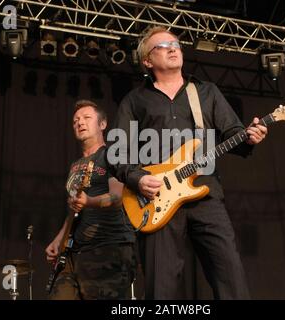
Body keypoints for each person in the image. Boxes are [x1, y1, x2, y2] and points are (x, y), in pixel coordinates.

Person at [108, 26, 268, 299]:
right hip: (155, 198)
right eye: (163, 45)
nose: (173, 48)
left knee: (231, 278)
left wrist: (250, 137)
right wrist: (137, 178)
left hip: (205, 192)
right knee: (161, 288)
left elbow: (232, 133)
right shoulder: (134, 100)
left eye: (176, 43)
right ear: (147, 60)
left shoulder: (206, 92)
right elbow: (117, 151)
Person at [45, 100, 136, 300]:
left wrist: (90, 201)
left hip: (108, 248)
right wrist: (59, 238)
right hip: (74, 251)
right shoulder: (75, 165)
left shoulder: (112, 155)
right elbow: (74, 209)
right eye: (75, 120)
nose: (80, 122)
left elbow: (117, 196)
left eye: (87, 118)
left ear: (102, 124)